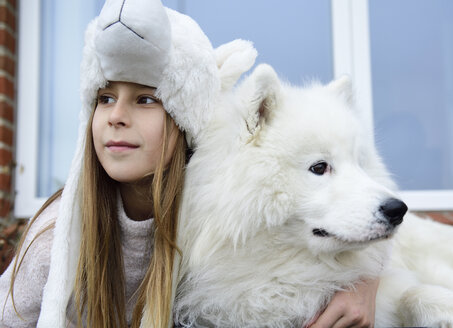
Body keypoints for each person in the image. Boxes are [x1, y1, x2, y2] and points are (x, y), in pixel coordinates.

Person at [0, 0, 379, 327]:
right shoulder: (55, 238)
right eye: (104, 98)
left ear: (185, 120)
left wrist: (366, 284)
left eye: (145, 99)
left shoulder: (214, 197)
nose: (116, 115)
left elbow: (359, 218)